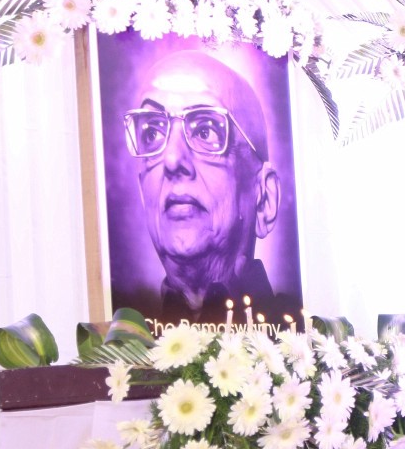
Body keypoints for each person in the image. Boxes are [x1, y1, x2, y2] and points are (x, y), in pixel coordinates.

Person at [119, 49, 297, 327]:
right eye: (152, 133)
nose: (172, 159)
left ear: (264, 200)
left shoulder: (301, 343)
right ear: (143, 193)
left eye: (205, 131)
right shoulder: (120, 350)